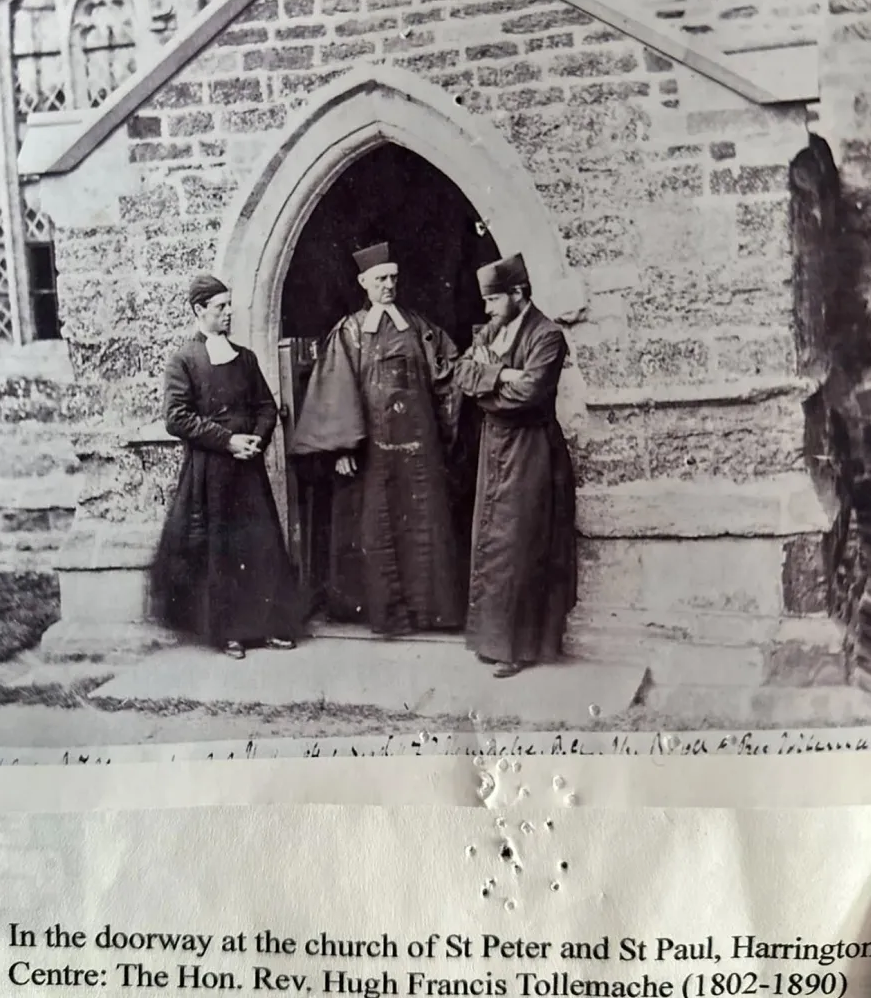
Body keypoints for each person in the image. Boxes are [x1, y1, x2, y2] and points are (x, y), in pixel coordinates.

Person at [288, 242, 464, 636]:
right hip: (373, 454)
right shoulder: (349, 332)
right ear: (364, 283)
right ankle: (381, 613)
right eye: (381, 279)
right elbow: (335, 389)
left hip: (420, 453)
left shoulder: (419, 327)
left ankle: (427, 612)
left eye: (393, 278)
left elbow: (447, 371)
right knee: (377, 528)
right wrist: (344, 446)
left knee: (424, 526)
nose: (389, 285)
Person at [148, 273, 302, 659]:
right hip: (210, 471)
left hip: (247, 468)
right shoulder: (184, 360)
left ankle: (269, 626)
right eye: (221, 307)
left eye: (229, 305)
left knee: (260, 544)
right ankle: (228, 632)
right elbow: (176, 418)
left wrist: (256, 440)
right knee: (222, 549)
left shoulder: (245, 358)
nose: (228, 312)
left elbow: (267, 407)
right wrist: (226, 441)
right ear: (200, 311)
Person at [454, 253, 577, 678]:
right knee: (492, 541)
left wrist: (492, 379)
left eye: (493, 300)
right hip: (496, 447)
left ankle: (519, 647)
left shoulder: (547, 337)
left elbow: (528, 393)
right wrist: (502, 376)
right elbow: (463, 373)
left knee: (520, 544)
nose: (486, 309)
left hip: (531, 450)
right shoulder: (493, 328)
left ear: (518, 294)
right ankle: (493, 642)